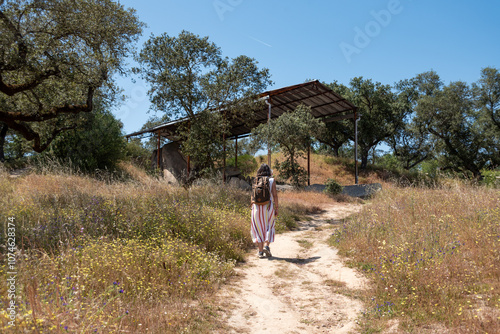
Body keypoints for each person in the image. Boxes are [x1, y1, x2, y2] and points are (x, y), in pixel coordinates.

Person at [250, 163, 278, 258]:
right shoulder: (271, 180)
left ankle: (260, 252)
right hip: (268, 206)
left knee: (258, 228)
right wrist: (277, 208)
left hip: (256, 207)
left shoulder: (256, 180)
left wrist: (252, 207)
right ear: (269, 171)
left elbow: (252, 196)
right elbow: (274, 195)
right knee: (269, 226)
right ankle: (267, 246)